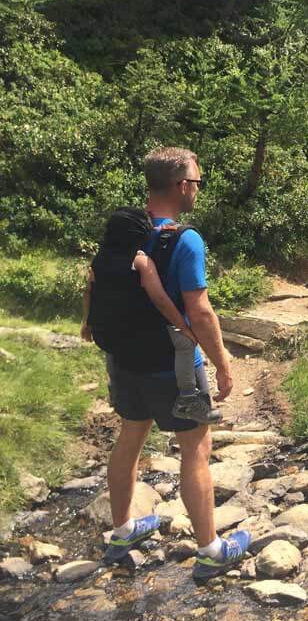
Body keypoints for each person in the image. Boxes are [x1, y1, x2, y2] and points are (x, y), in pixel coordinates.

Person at [81, 147, 251, 579]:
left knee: (130, 438)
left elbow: (93, 279)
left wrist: (87, 325)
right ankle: (211, 550)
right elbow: (200, 312)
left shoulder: (125, 231)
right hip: (173, 366)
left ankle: (123, 530)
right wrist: (223, 364)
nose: (198, 189)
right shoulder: (184, 239)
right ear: (181, 186)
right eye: (196, 181)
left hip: (124, 361)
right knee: (196, 448)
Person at [81, 207, 223, 426]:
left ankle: (114, 391)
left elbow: (89, 292)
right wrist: (182, 326)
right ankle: (188, 398)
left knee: (114, 352)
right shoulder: (140, 262)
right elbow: (160, 300)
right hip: (145, 333)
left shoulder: (99, 260)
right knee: (184, 345)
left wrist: (87, 323)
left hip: (111, 335)